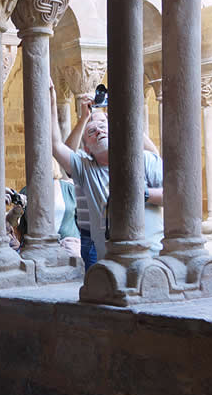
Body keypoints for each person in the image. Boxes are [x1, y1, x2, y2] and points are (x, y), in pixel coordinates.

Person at [50, 86, 164, 266]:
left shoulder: (144, 159)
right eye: (91, 131)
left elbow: (175, 196)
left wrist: (143, 194)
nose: (98, 130)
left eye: (103, 126)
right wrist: (52, 100)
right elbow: (57, 146)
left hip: (153, 257)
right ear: (86, 149)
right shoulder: (87, 169)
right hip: (110, 262)